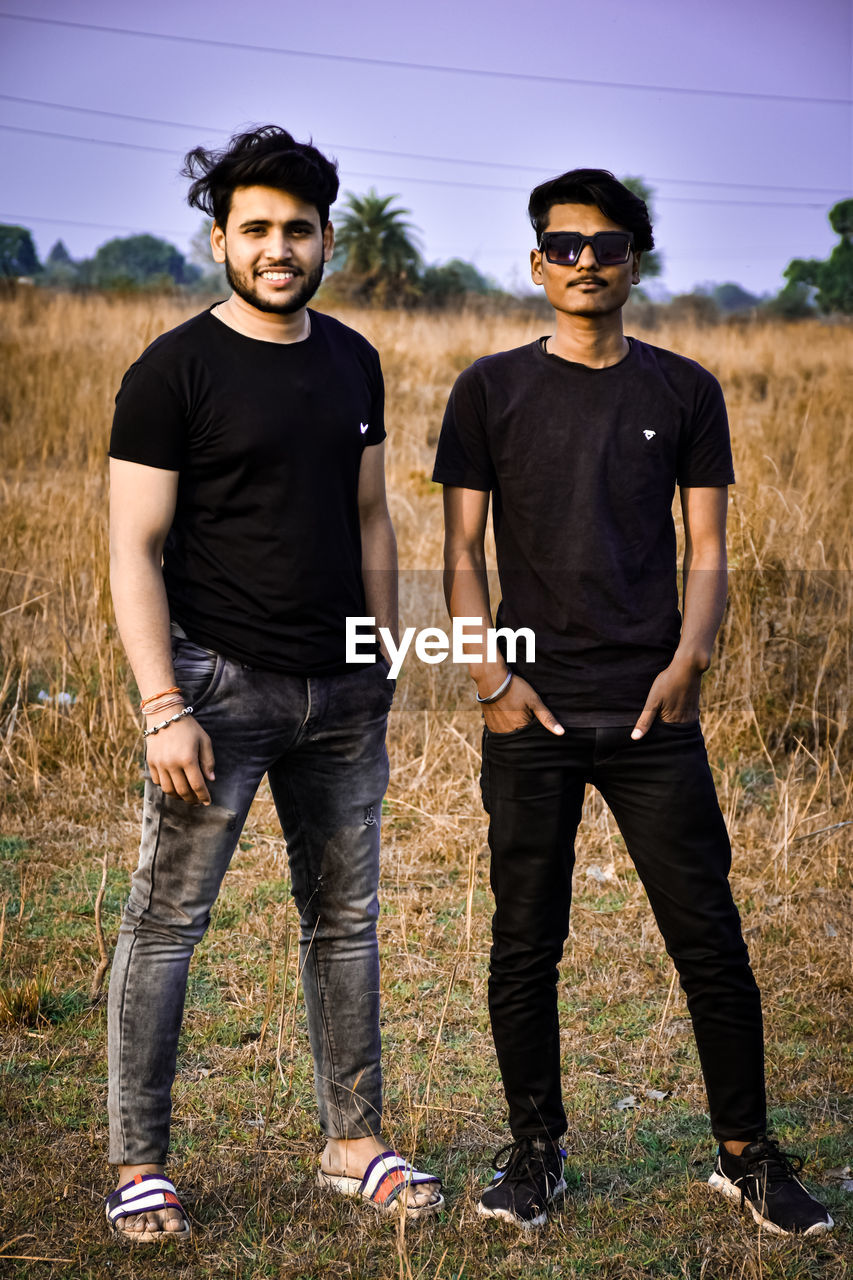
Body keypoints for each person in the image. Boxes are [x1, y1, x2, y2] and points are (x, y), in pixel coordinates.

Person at [432, 168, 833, 1235]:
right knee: (525, 940)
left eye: (606, 246)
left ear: (634, 262)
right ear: (536, 264)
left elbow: (708, 548)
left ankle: (747, 1154)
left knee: (708, 934)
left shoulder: (683, 390)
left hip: (656, 714)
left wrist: (687, 661)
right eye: (563, 246)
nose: (585, 262)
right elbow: (460, 552)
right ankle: (535, 1152)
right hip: (533, 713)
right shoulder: (488, 390)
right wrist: (489, 678)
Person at [105, 126, 442, 1244]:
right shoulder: (172, 369)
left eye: (297, 228)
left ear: (326, 239)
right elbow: (133, 549)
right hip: (218, 686)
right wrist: (164, 705)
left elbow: (368, 516)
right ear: (220, 241)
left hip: (340, 694)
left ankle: (353, 1142)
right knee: (167, 923)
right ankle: (140, 1163)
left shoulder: (352, 356)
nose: (278, 245)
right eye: (256, 228)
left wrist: (381, 652)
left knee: (344, 921)